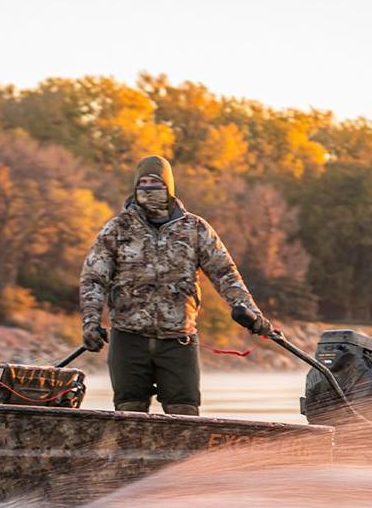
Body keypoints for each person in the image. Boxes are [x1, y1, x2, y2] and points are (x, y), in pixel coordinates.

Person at [79, 155, 277, 415]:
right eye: (143, 183)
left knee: (185, 413)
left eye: (155, 182)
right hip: (128, 339)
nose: (148, 188)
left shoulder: (195, 228)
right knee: (129, 412)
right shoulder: (117, 229)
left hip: (178, 340)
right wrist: (90, 322)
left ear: (169, 186)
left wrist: (253, 315)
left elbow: (225, 274)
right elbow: (94, 278)